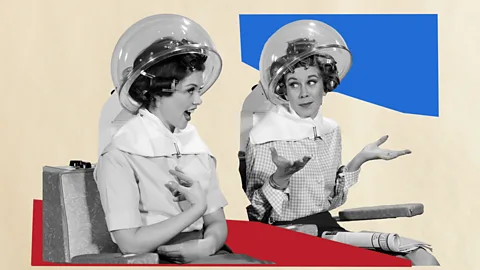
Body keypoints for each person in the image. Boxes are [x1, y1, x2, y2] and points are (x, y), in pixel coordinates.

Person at [244, 19, 439, 266]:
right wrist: (279, 179)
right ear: (284, 89)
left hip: (327, 229)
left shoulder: (330, 131)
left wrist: (359, 160)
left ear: (326, 83)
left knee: (421, 257)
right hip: (288, 237)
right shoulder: (263, 137)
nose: (304, 93)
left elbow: (332, 202)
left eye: (311, 82)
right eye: (294, 84)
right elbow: (259, 216)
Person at [95, 14, 271, 265]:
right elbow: (129, 242)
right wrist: (196, 211)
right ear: (158, 92)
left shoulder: (196, 148)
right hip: (157, 260)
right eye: (190, 90)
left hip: (207, 254)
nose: (199, 100)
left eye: (199, 90)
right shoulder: (120, 154)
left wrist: (208, 244)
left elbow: (217, 222)